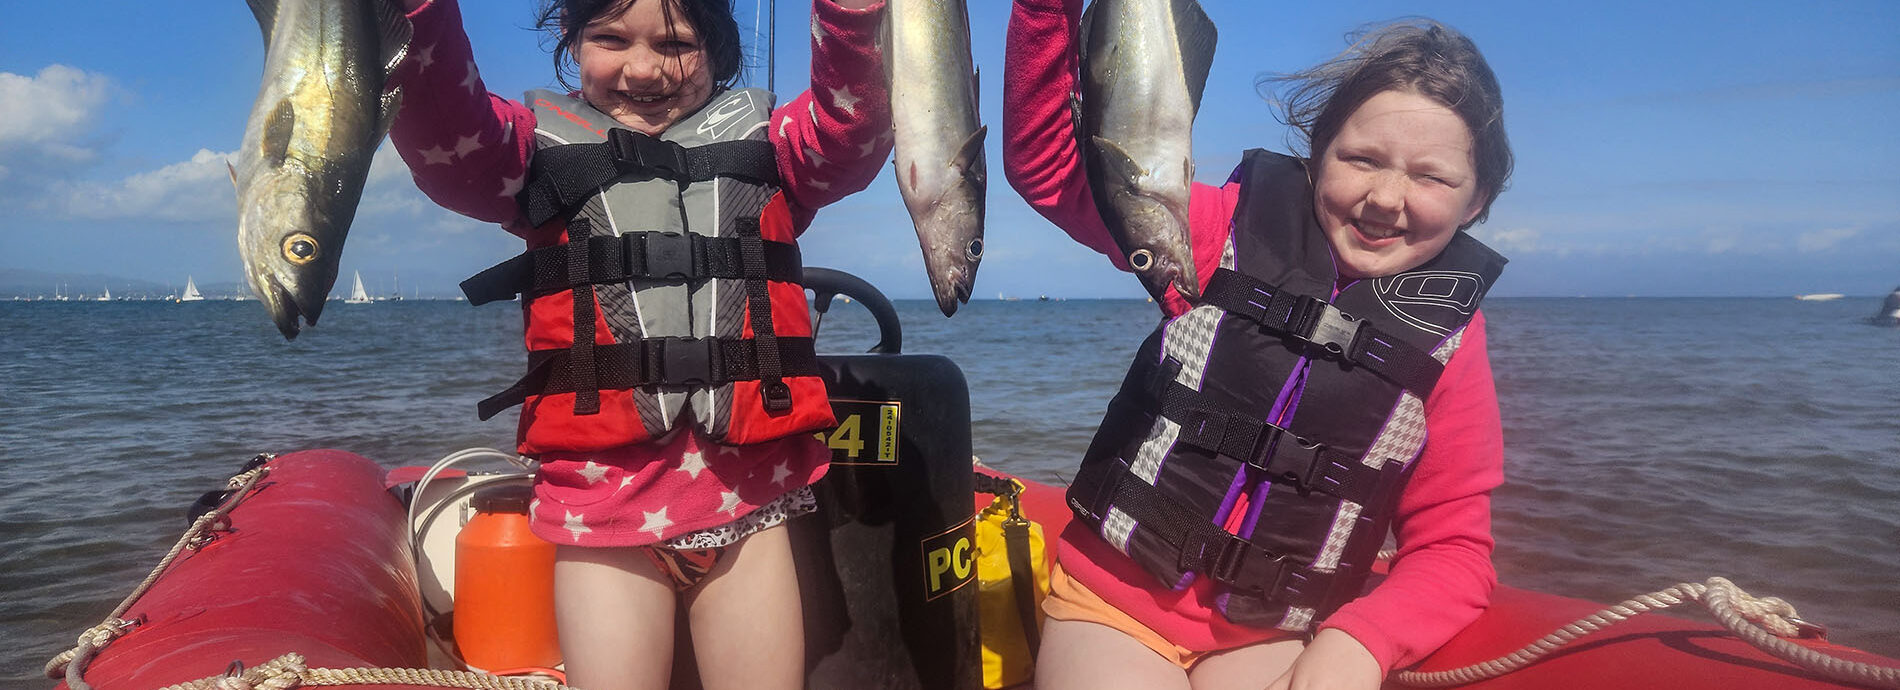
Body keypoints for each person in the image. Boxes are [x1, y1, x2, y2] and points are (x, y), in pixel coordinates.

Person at [1004, 2, 1513, 689]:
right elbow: (1051, 169)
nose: (1387, 198)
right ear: (1317, 156)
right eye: (1361, 159)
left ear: (1476, 200)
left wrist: (1361, 642)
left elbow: (1454, 549)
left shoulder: (1450, 344)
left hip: (1274, 635)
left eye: (1432, 178)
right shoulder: (1213, 231)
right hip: (1113, 607)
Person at [388, 0, 891, 688]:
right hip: (601, 523)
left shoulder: (774, 148)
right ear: (571, 43)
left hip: (748, 512)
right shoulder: (528, 155)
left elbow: (851, 127)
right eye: (611, 38)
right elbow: (443, 124)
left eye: (675, 44)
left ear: (717, 50)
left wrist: (851, 14)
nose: (644, 69)